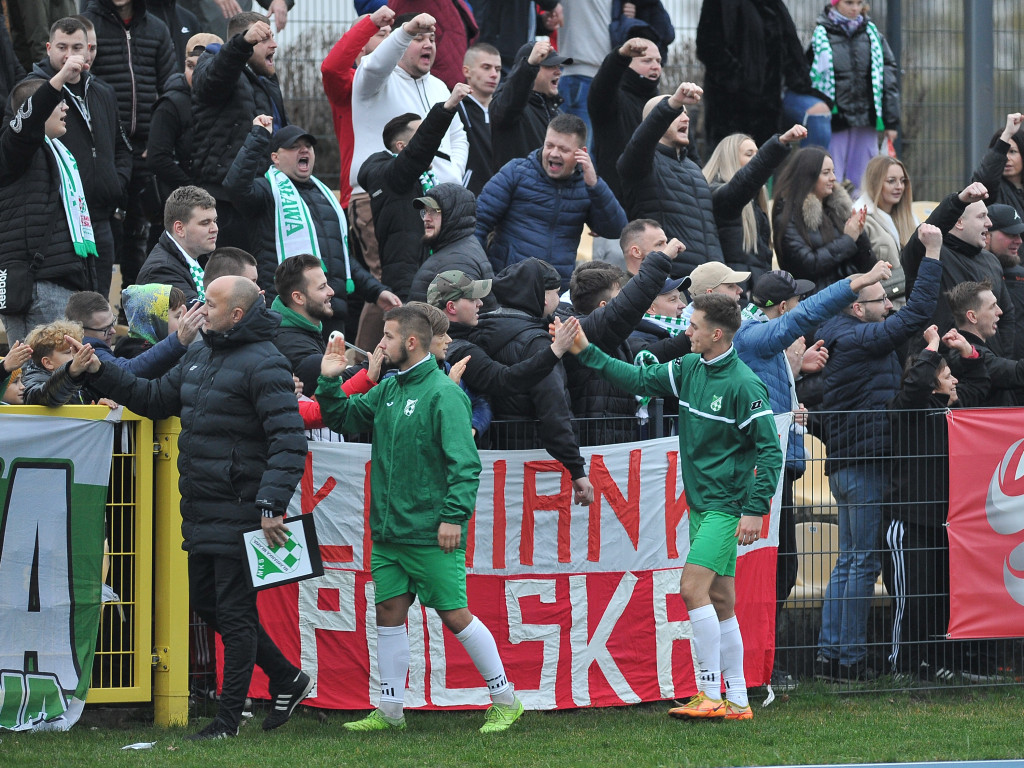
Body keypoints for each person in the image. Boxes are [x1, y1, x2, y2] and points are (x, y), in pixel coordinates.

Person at [75, 275, 312, 740]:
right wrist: (99, 370)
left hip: (243, 509)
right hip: (203, 508)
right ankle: (287, 678)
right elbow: (153, 399)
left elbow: (289, 440)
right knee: (206, 602)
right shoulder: (199, 351)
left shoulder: (267, 362)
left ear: (236, 315)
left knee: (236, 614)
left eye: (212, 303)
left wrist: (271, 504)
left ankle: (227, 722)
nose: (200, 308)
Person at [564, 292, 782, 721]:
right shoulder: (688, 368)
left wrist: (755, 509)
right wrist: (586, 352)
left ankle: (710, 693)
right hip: (703, 505)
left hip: (725, 507)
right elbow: (637, 379)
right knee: (721, 600)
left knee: (691, 590)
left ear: (716, 334)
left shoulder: (744, 384)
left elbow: (771, 451)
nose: (687, 332)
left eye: (694, 326)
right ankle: (738, 701)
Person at [315, 306, 525, 733]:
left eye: (388, 337)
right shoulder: (389, 389)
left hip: (431, 532)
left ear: (410, 342)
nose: (380, 344)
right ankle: (391, 711)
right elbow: (343, 418)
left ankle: (506, 700)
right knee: (389, 611)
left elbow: (465, 464)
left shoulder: (444, 394)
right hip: (389, 533)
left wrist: (452, 517)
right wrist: (330, 381)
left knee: (455, 615)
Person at [733, 263, 890, 688]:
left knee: (784, 568)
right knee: (774, 570)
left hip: (778, 466)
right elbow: (803, 318)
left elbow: (767, 390)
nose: (802, 305)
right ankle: (755, 666)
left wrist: (797, 375)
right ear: (784, 307)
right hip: (761, 470)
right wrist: (854, 284)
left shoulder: (763, 342)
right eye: (797, 300)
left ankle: (762, 663)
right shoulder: (755, 333)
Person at [813, 222, 943, 682]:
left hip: (850, 466)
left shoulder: (845, 336)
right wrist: (932, 254)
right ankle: (847, 661)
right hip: (864, 466)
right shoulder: (856, 338)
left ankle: (832, 656)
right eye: (881, 300)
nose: (889, 306)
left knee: (850, 560)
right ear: (856, 307)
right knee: (861, 561)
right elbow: (916, 312)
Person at [223, 119, 400, 336]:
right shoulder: (266, 191)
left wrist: (376, 291)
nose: (304, 150)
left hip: (331, 313)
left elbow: (341, 259)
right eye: (294, 146)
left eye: (308, 145)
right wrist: (259, 136)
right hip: (290, 316)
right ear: (275, 158)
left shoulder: (325, 196)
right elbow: (235, 186)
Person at [884, 324, 988, 683]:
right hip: (908, 523)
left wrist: (967, 352)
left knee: (939, 597)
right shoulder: (906, 408)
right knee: (910, 599)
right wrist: (931, 346)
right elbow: (914, 385)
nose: (954, 381)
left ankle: (933, 662)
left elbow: (981, 384)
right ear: (931, 384)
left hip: (944, 523)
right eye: (947, 377)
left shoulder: (950, 409)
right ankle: (902, 667)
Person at [21, 16, 131, 301]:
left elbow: (121, 147)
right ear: (48, 48)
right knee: (66, 309)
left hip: (101, 219)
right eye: (62, 47)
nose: (70, 55)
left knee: (98, 306)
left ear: (89, 50)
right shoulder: (32, 90)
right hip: (59, 222)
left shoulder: (103, 91)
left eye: (77, 47)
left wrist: (115, 183)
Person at [471, 258, 595, 504]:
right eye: (557, 292)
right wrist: (576, 468)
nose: (559, 299)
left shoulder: (476, 329)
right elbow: (553, 407)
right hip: (529, 461)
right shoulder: (538, 344)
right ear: (543, 297)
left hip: (484, 456)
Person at [0, 61, 97, 344]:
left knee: (58, 371)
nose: (65, 108)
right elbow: (28, 120)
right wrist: (60, 78)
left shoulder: (58, 153)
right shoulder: (14, 150)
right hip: (36, 286)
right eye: (58, 102)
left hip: (58, 283)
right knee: (41, 371)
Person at [81, 0, 175, 290]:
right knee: (104, 228)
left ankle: (133, 301)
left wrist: (158, 139)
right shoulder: (88, 25)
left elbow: (169, 86)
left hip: (146, 149)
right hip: (105, 149)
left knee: (141, 232)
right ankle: (96, 301)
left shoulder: (157, 28)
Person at [476, 113, 626, 291]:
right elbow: (478, 223)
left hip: (555, 292)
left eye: (563, 149)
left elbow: (616, 229)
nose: (554, 153)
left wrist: (595, 185)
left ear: (581, 154)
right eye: (549, 145)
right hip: (508, 285)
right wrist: (484, 275)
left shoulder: (587, 186)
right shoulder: (515, 172)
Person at [358, 84, 471, 302]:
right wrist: (447, 108)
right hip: (408, 281)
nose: (432, 145)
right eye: (421, 135)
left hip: (432, 274)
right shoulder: (390, 175)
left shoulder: (424, 178)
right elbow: (419, 152)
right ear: (402, 147)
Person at [190, 13, 286, 251]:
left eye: (273, 37)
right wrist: (242, 43)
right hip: (225, 202)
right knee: (229, 271)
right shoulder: (212, 59)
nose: (274, 45)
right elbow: (212, 80)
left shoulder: (266, 80)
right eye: (264, 38)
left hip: (261, 195)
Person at [349, 12, 468, 194]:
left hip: (438, 198)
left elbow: (457, 136)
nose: (428, 44)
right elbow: (375, 66)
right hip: (379, 195)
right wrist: (406, 32)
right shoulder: (374, 81)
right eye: (418, 38)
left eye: (432, 39)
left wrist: (454, 173)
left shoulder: (440, 86)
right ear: (400, 42)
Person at [617, 82, 723, 280]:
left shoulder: (694, 169)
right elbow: (642, 141)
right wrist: (672, 103)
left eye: (685, 113)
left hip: (708, 281)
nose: (686, 118)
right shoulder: (641, 164)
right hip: (669, 282)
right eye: (677, 113)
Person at [901, 182, 1016, 360]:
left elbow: (1006, 315)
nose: (989, 223)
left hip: (986, 366)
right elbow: (925, 232)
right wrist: (959, 201)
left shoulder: (991, 261)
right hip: (940, 367)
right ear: (959, 222)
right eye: (982, 216)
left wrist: (1002, 359)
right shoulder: (931, 253)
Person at [427, 269, 582, 400]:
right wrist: (555, 350)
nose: (480, 303)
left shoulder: (456, 334)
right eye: (472, 299)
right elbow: (504, 380)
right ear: (451, 307)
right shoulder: (460, 350)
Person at [805, 0, 900, 194]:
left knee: (865, 182)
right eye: (849, 2)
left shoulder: (873, 35)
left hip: (866, 119)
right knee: (831, 176)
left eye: (859, 2)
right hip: (835, 120)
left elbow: (888, 79)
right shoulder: (820, 36)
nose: (855, 8)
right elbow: (810, 78)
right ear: (836, 3)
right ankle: (831, 212)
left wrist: (891, 121)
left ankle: (862, 213)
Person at [696, 0, 821, 148]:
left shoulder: (773, 5)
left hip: (768, 105)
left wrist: (801, 80)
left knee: (765, 156)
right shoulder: (721, 4)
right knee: (730, 157)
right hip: (730, 106)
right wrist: (738, 81)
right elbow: (708, 46)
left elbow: (789, 50)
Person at [702, 126, 808, 289]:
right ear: (729, 159)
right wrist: (780, 143)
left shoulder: (756, 205)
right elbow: (745, 181)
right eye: (749, 154)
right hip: (735, 293)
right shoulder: (720, 197)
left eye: (758, 154)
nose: (756, 159)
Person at [147, 32, 223, 248]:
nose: (195, 73)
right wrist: (194, 190)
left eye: (204, 67)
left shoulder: (226, 101)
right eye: (190, 66)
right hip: (181, 210)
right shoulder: (171, 104)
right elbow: (157, 158)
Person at [772, 146, 875, 296]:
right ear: (807, 176)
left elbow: (867, 265)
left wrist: (859, 234)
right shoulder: (788, 216)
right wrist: (848, 240)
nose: (833, 177)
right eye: (826, 173)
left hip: (848, 296)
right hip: (814, 301)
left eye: (833, 171)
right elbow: (807, 266)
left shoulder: (837, 209)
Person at [321, 5, 395, 211]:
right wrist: (371, 23)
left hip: (403, 193)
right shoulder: (349, 84)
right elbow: (331, 69)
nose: (390, 40)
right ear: (360, 46)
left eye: (391, 34)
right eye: (381, 34)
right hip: (363, 195)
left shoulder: (405, 82)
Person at [588, 37, 662, 204]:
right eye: (647, 60)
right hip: (620, 201)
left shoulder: (665, 106)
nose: (655, 66)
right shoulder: (612, 103)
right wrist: (620, 56)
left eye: (658, 61)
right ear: (627, 65)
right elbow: (603, 86)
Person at [65, 290, 202, 379]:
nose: (113, 331)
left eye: (112, 323)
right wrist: (178, 340)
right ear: (80, 330)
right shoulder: (88, 350)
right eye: (104, 329)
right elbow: (126, 371)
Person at [488, 40, 571, 170]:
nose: (558, 71)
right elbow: (508, 106)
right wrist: (529, 65)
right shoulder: (509, 105)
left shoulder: (557, 113)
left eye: (558, 66)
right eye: (550, 66)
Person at [408, 184, 495, 304]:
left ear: (453, 214)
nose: (426, 218)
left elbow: (457, 314)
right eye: (425, 211)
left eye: (434, 211)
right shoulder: (462, 247)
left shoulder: (456, 263)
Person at [944, 280, 1024, 408]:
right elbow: (1017, 373)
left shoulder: (979, 349)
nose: (1000, 311)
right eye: (992, 306)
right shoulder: (967, 357)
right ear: (972, 316)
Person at [270, 253, 338, 396]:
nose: (331, 291)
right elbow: (335, 394)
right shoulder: (293, 346)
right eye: (322, 287)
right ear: (298, 297)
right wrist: (372, 368)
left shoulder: (306, 329)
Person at [137, 186, 219, 302]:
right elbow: (198, 311)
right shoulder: (161, 271)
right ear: (179, 229)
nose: (215, 229)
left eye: (215, 221)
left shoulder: (198, 258)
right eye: (205, 223)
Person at [854, 155, 917, 303]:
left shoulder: (910, 219)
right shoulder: (862, 219)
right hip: (878, 304)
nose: (899, 186)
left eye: (902, 181)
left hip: (909, 302)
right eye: (891, 181)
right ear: (875, 183)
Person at [457, 42, 501, 196]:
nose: (494, 74)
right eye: (486, 67)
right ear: (466, 71)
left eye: (498, 69)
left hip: (503, 196)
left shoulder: (505, 109)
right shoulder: (455, 107)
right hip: (469, 197)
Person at [986, 204, 1024, 359]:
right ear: (986, 234)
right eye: (1011, 234)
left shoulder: (1020, 276)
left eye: (1019, 234)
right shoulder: (969, 271)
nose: (1019, 241)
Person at [971, 112, 1024, 222]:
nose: (1006, 158)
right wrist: (1007, 134)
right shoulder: (992, 190)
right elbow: (985, 179)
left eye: (1012, 152)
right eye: (1003, 152)